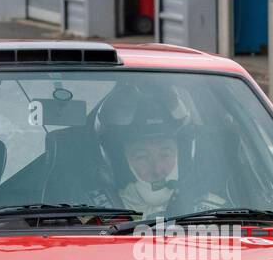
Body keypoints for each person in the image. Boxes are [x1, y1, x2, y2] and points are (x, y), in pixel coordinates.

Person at [94, 85, 227, 219]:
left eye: (166, 154)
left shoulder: (214, 213)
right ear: (119, 162)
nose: (157, 169)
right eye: (142, 157)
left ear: (183, 155)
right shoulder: (95, 216)